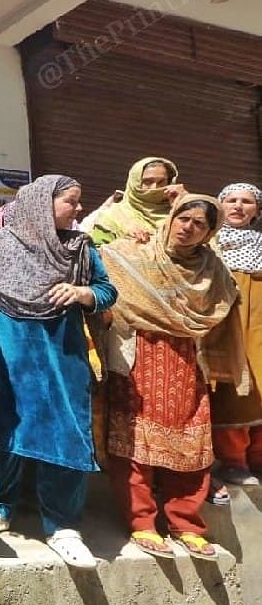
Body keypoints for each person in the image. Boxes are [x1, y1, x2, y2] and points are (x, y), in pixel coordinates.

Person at [0, 175, 117, 569]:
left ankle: (63, 525)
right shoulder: (2, 242)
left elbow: (107, 291)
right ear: (41, 203)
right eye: (72, 201)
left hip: (60, 353)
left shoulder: (80, 247)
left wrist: (83, 293)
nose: (79, 209)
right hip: (7, 350)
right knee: (1, 426)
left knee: (65, 430)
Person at [99, 195, 247, 560]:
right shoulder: (132, 253)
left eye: (199, 224)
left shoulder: (213, 270)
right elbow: (92, 251)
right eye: (184, 218)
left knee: (191, 445)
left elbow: (228, 302)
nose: (188, 227)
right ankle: (143, 523)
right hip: (136, 358)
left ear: (209, 232)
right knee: (133, 443)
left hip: (186, 361)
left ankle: (185, 523)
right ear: (170, 218)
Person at [211, 183, 262, 485]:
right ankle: (233, 461)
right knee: (231, 391)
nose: (239, 206)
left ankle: (258, 458)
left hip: (257, 327)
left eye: (247, 201)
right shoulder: (207, 243)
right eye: (231, 200)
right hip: (224, 328)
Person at [88, 157, 185, 245]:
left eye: (161, 182)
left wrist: (184, 202)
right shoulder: (112, 216)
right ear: (135, 183)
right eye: (148, 182)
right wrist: (127, 244)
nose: (155, 188)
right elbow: (97, 255)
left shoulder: (179, 214)